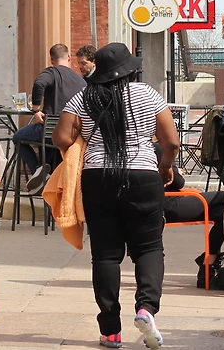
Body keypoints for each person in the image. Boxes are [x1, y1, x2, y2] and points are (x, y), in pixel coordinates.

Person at [54, 42, 178, 350]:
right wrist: (164, 167)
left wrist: (84, 141)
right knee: (149, 248)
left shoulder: (84, 96)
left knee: (106, 255)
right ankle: (146, 309)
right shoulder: (148, 94)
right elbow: (172, 142)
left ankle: (110, 332)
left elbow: (61, 137)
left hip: (97, 178)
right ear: (131, 70)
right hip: (143, 176)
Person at [18, 43, 88, 193]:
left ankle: (38, 172)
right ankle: (47, 175)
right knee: (49, 147)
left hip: (50, 130)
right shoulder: (80, 80)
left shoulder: (51, 72)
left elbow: (39, 84)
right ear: (69, 58)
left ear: (51, 60)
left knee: (18, 137)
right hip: (72, 135)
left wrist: (36, 109)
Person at [163, 168, 224, 278]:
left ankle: (207, 267)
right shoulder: (163, 159)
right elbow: (179, 182)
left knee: (223, 214)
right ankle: (207, 265)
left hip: (169, 202)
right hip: (170, 205)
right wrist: (175, 171)